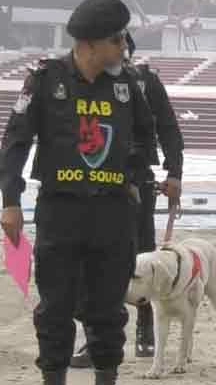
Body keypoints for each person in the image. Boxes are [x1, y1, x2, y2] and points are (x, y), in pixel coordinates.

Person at [0, 0, 155, 385]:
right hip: (60, 211)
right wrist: (10, 201)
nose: (124, 47)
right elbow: (14, 144)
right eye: (117, 40)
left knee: (108, 308)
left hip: (111, 214)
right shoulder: (45, 81)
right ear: (91, 44)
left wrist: (132, 176)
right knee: (55, 307)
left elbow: (146, 136)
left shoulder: (126, 85)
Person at [72, 30, 184, 367]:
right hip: (83, 185)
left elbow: (167, 129)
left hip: (133, 185)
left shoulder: (143, 83)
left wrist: (174, 173)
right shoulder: (73, 81)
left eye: (123, 50)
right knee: (87, 265)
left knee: (141, 260)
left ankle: (146, 329)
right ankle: (95, 337)